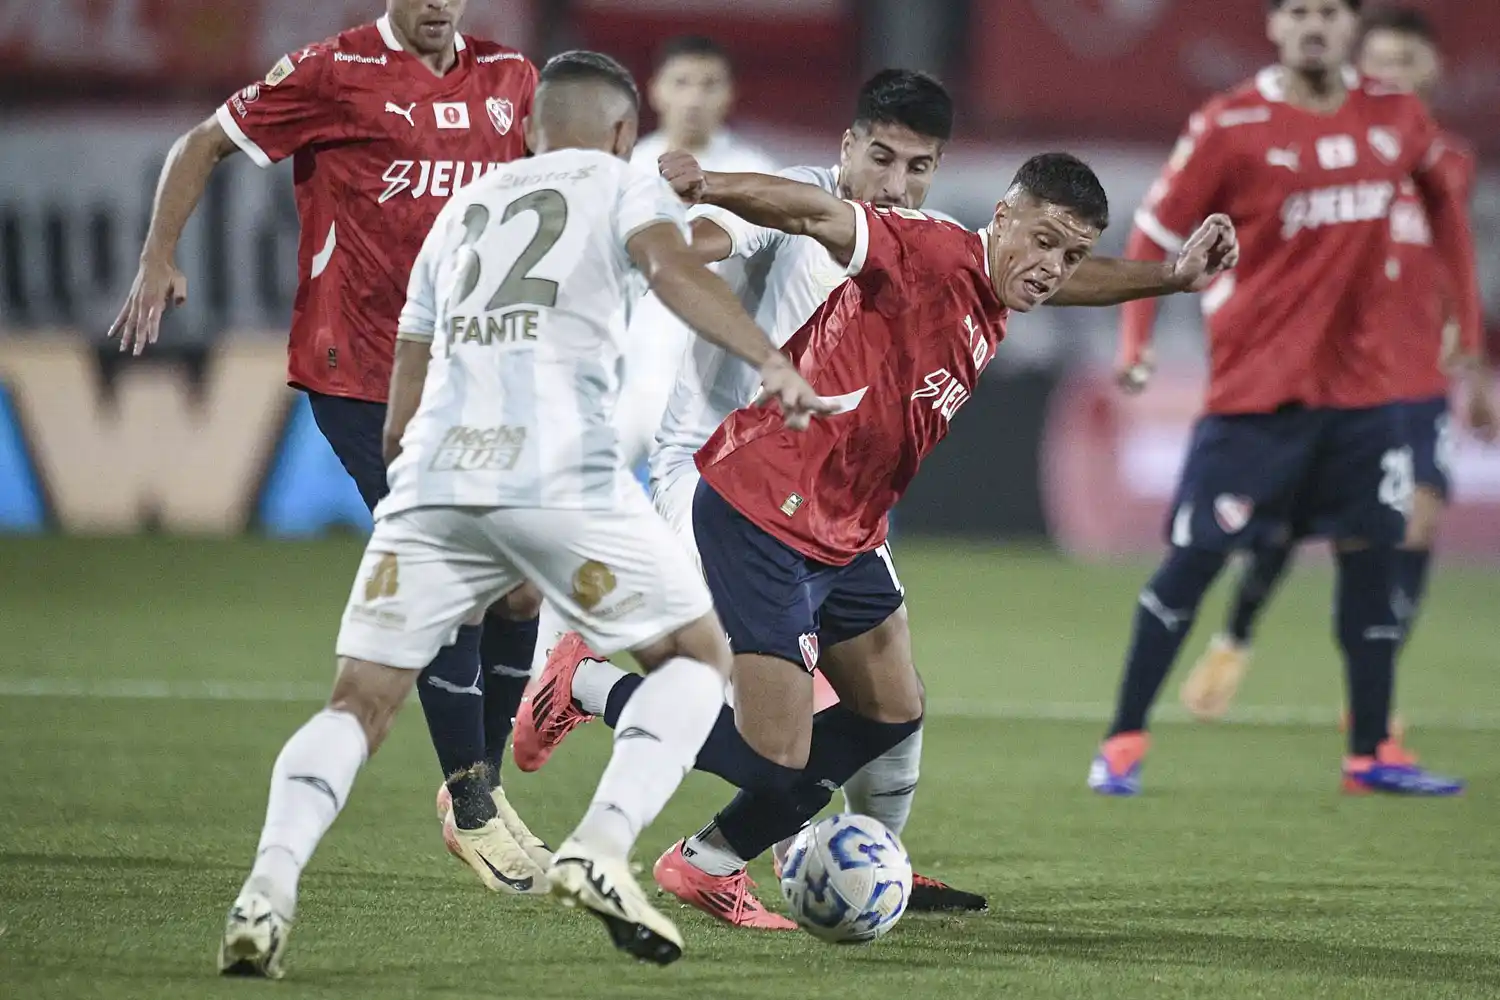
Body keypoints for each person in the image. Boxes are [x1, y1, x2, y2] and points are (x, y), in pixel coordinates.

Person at [215, 50, 829, 978]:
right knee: (695, 657)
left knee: (359, 703)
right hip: (559, 468)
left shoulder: (461, 210)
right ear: (623, 132)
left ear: (532, 130)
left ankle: (266, 888)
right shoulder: (625, 185)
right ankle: (602, 845)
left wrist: (424, 496)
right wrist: (769, 359)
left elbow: (403, 394)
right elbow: (671, 270)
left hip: (435, 476)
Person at [518, 147, 1236, 930]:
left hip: (847, 530)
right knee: (773, 758)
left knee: (891, 711)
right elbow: (813, 212)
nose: (1051, 269)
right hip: (764, 510)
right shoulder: (928, 250)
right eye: (1042, 241)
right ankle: (585, 683)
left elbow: (1067, 279)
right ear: (1002, 218)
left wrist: (1172, 277)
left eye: (1069, 254)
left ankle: (709, 863)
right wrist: (708, 185)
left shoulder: (1003, 284)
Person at [522, 69, 987, 924]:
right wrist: (668, 239)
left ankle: (870, 858)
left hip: (827, 502)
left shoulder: (922, 243)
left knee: (892, 704)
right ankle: (582, 685)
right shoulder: (796, 203)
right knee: (776, 733)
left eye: (917, 167)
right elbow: (712, 235)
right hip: (718, 478)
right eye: (881, 158)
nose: (895, 184)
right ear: (847, 146)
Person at [106, 0, 550, 879]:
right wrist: (159, 254)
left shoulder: (511, 79)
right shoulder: (331, 72)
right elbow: (202, 142)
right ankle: (471, 802)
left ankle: (483, 790)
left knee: (521, 591)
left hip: (478, 373)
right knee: (451, 564)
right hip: (362, 376)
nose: (438, 3)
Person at [1095, 0, 1485, 797]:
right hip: (1256, 395)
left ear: (1350, 28)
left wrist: (1467, 332)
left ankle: (1370, 754)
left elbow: (1446, 208)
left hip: (1365, 396)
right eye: (1298, 10)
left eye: (1329, 11)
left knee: (1374, 559)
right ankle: (1124, 739)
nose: (1314, 25)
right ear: (1274, 26)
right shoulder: (1230, 123)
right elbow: (1155, 233)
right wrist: (1135, 341)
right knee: (1195, 562)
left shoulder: (1396, 116)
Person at [1176, 4, 1496, 724]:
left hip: (1417, 375)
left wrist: (1474, 366)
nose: (1393, 75)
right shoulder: (1335, 149)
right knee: (1283, 527)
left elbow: (1456, 260)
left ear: (1435, 71)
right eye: (1380, 62)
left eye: (1407, 62)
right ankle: (1235, 637)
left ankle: (1374, 697)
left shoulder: (1448, 161)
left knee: (1415, 524)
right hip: (1335, 374)